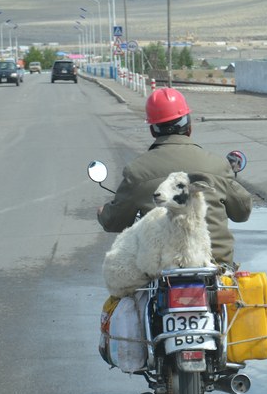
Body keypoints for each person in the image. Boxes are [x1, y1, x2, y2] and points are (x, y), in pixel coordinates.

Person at [97, 87, 253, 267]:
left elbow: (115, 223)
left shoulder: (137, 171)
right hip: (216, 267)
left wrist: (103, 213)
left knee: (126, 292)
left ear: (153, 130)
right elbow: (243, 212)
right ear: (189, 125)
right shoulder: (217, 165)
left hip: (162, 270)